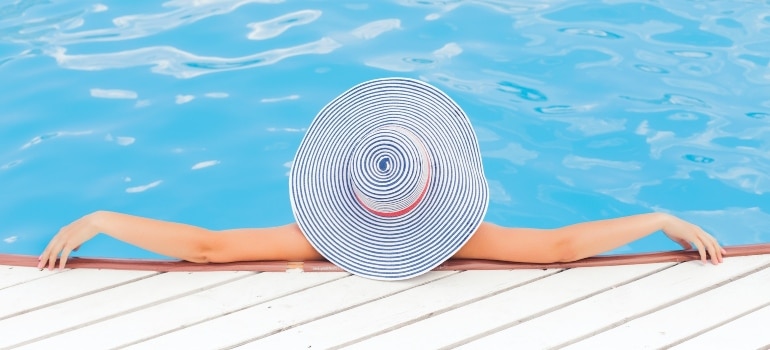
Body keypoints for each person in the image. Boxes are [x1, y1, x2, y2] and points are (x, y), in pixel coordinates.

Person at [38, 78, 725, 279]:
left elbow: (208, 247)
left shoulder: (313, 241)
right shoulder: (464, 239)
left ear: (346, 191)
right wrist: (657, 219)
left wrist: (104, 219)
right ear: (436, 183)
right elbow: (558, 248)